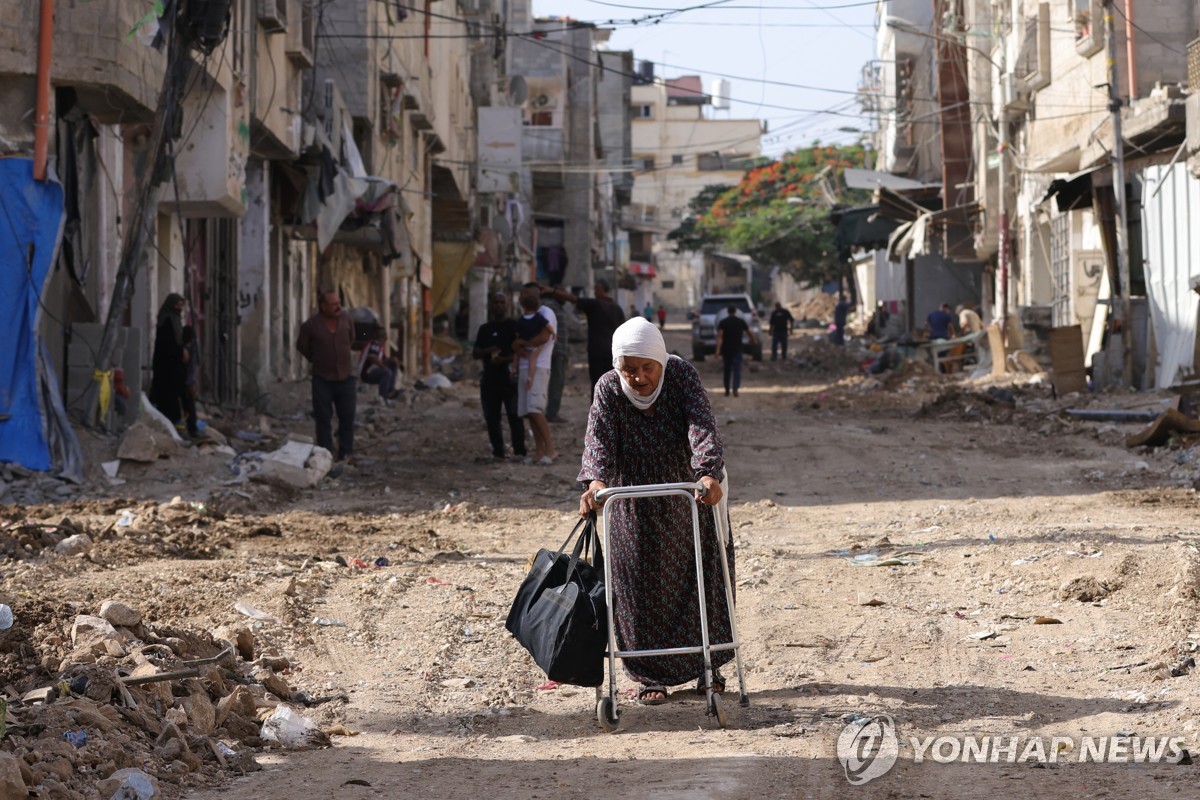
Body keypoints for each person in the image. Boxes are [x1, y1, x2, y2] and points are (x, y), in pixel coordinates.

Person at [577, 317, 732, 705]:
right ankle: (649, 676)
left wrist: (708, 473)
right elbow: (598, 438)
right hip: (632, 496)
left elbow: (701, 426)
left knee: (700, 577)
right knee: (636, 585)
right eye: (630, 369)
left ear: (662, 361)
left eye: (648, 368)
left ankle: (707, 667)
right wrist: (594, 482)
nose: (639, 378)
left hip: (687, 491)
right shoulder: (609, 387)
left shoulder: (681, 375)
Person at [297, 290, 356, 462]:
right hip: (323, 379)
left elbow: (352, 338)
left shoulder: (346, 320)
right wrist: (317, 359)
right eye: (333, 304)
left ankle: (346, 453)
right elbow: (302, 346)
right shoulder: (310, 326)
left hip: (345, 378)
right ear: (323, 307)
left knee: (347, 418)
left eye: (339, 302)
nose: (338, 306)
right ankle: (326, 454)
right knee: (323, 419)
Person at [541, 279, 626, 396]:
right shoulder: (617, 309)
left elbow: (572, 299)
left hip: (597, 352)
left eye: (596, 289)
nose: (595, 292)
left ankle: (599, 410)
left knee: (598, 384)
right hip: (613, 352)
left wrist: (552, 291)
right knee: (612, 383)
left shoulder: (595, 304)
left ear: (601, 290)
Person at [472, 292, 526, 461]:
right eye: (496, 302)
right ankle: (498, 452)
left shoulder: (514, 326)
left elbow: (521, 352)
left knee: (514, 416)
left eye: (502, 302)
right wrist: (488, 351)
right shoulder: (485, 329)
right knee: (491, 417)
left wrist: (506, 359)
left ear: (506, 305)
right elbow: (475, 352)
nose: (498, 305)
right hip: (489, 379)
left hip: (509, 378)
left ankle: (519, 451)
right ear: (491, 305)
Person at [513, 291, 557, 465]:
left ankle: (551, 449)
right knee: (528, 412)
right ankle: (539, 451)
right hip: (527, 365)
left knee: (535, 410)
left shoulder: (544, 314)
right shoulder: (527, 319)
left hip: (539, 366)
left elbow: (545, 336)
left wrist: (523, 343)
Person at [150, 293, 189, 433]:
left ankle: (171, 423)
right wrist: (180, 351)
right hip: (166, 364)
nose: (180, 308)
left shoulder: (174, 318)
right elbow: (168, 343)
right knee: (167, 394)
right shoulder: (167, 320)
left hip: (172, 364)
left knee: (172, 393)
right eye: (178, 305)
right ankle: (168, 423)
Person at [715, 305, 756, 397]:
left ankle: (727, 390)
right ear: (735, 312)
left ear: (728, 312)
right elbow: (749, 332)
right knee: (737, 369)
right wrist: (753, 340)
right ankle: (735, 388)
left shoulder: (723, 322)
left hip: (726, 349)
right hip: (737, 348)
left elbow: (720, 337)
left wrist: (717, 350)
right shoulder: (740, 321)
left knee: (727, 369)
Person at [360, 327, 399, 404]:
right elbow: (372, 358)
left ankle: (390, 390)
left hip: (371, 371)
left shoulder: (378, 347)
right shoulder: (375, 344)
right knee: (386, 372)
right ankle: (383, 397)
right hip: (366, 373)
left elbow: (381, 360)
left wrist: (392, 359)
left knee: (392, 365)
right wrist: (383, 367)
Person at [180, 325, 200, 438]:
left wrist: (190, 383)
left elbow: (193, 365)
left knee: (189, 405)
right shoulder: (181, 343)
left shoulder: (193, 346)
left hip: (187, 379)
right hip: (180, 377)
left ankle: (192, 429)